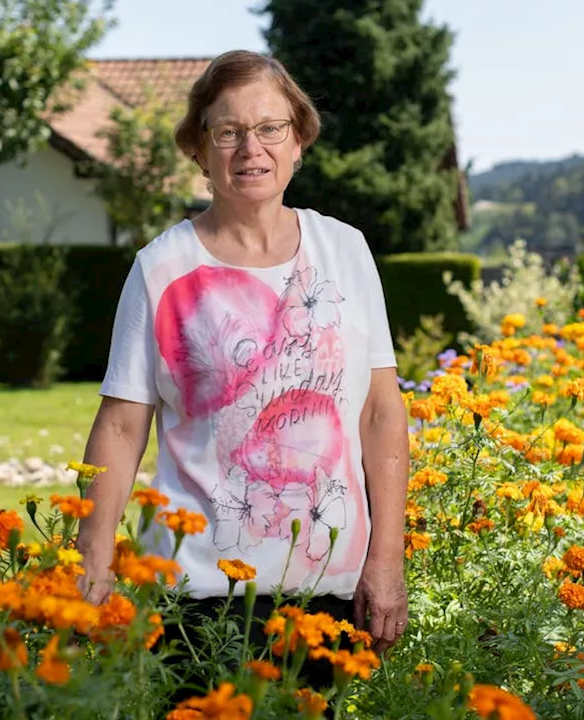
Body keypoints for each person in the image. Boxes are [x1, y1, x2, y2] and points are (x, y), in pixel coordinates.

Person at [73, 48, 410, 696]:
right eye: (227, 131)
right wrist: (93, 558)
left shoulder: (345, 251)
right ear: (200, 148)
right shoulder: (161, 267)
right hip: (196, 590)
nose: (249, 148)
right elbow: (120, 425)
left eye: (268, 128)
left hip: (326, 590)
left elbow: (380, 411)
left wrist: (386, 560)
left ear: (299, 140)